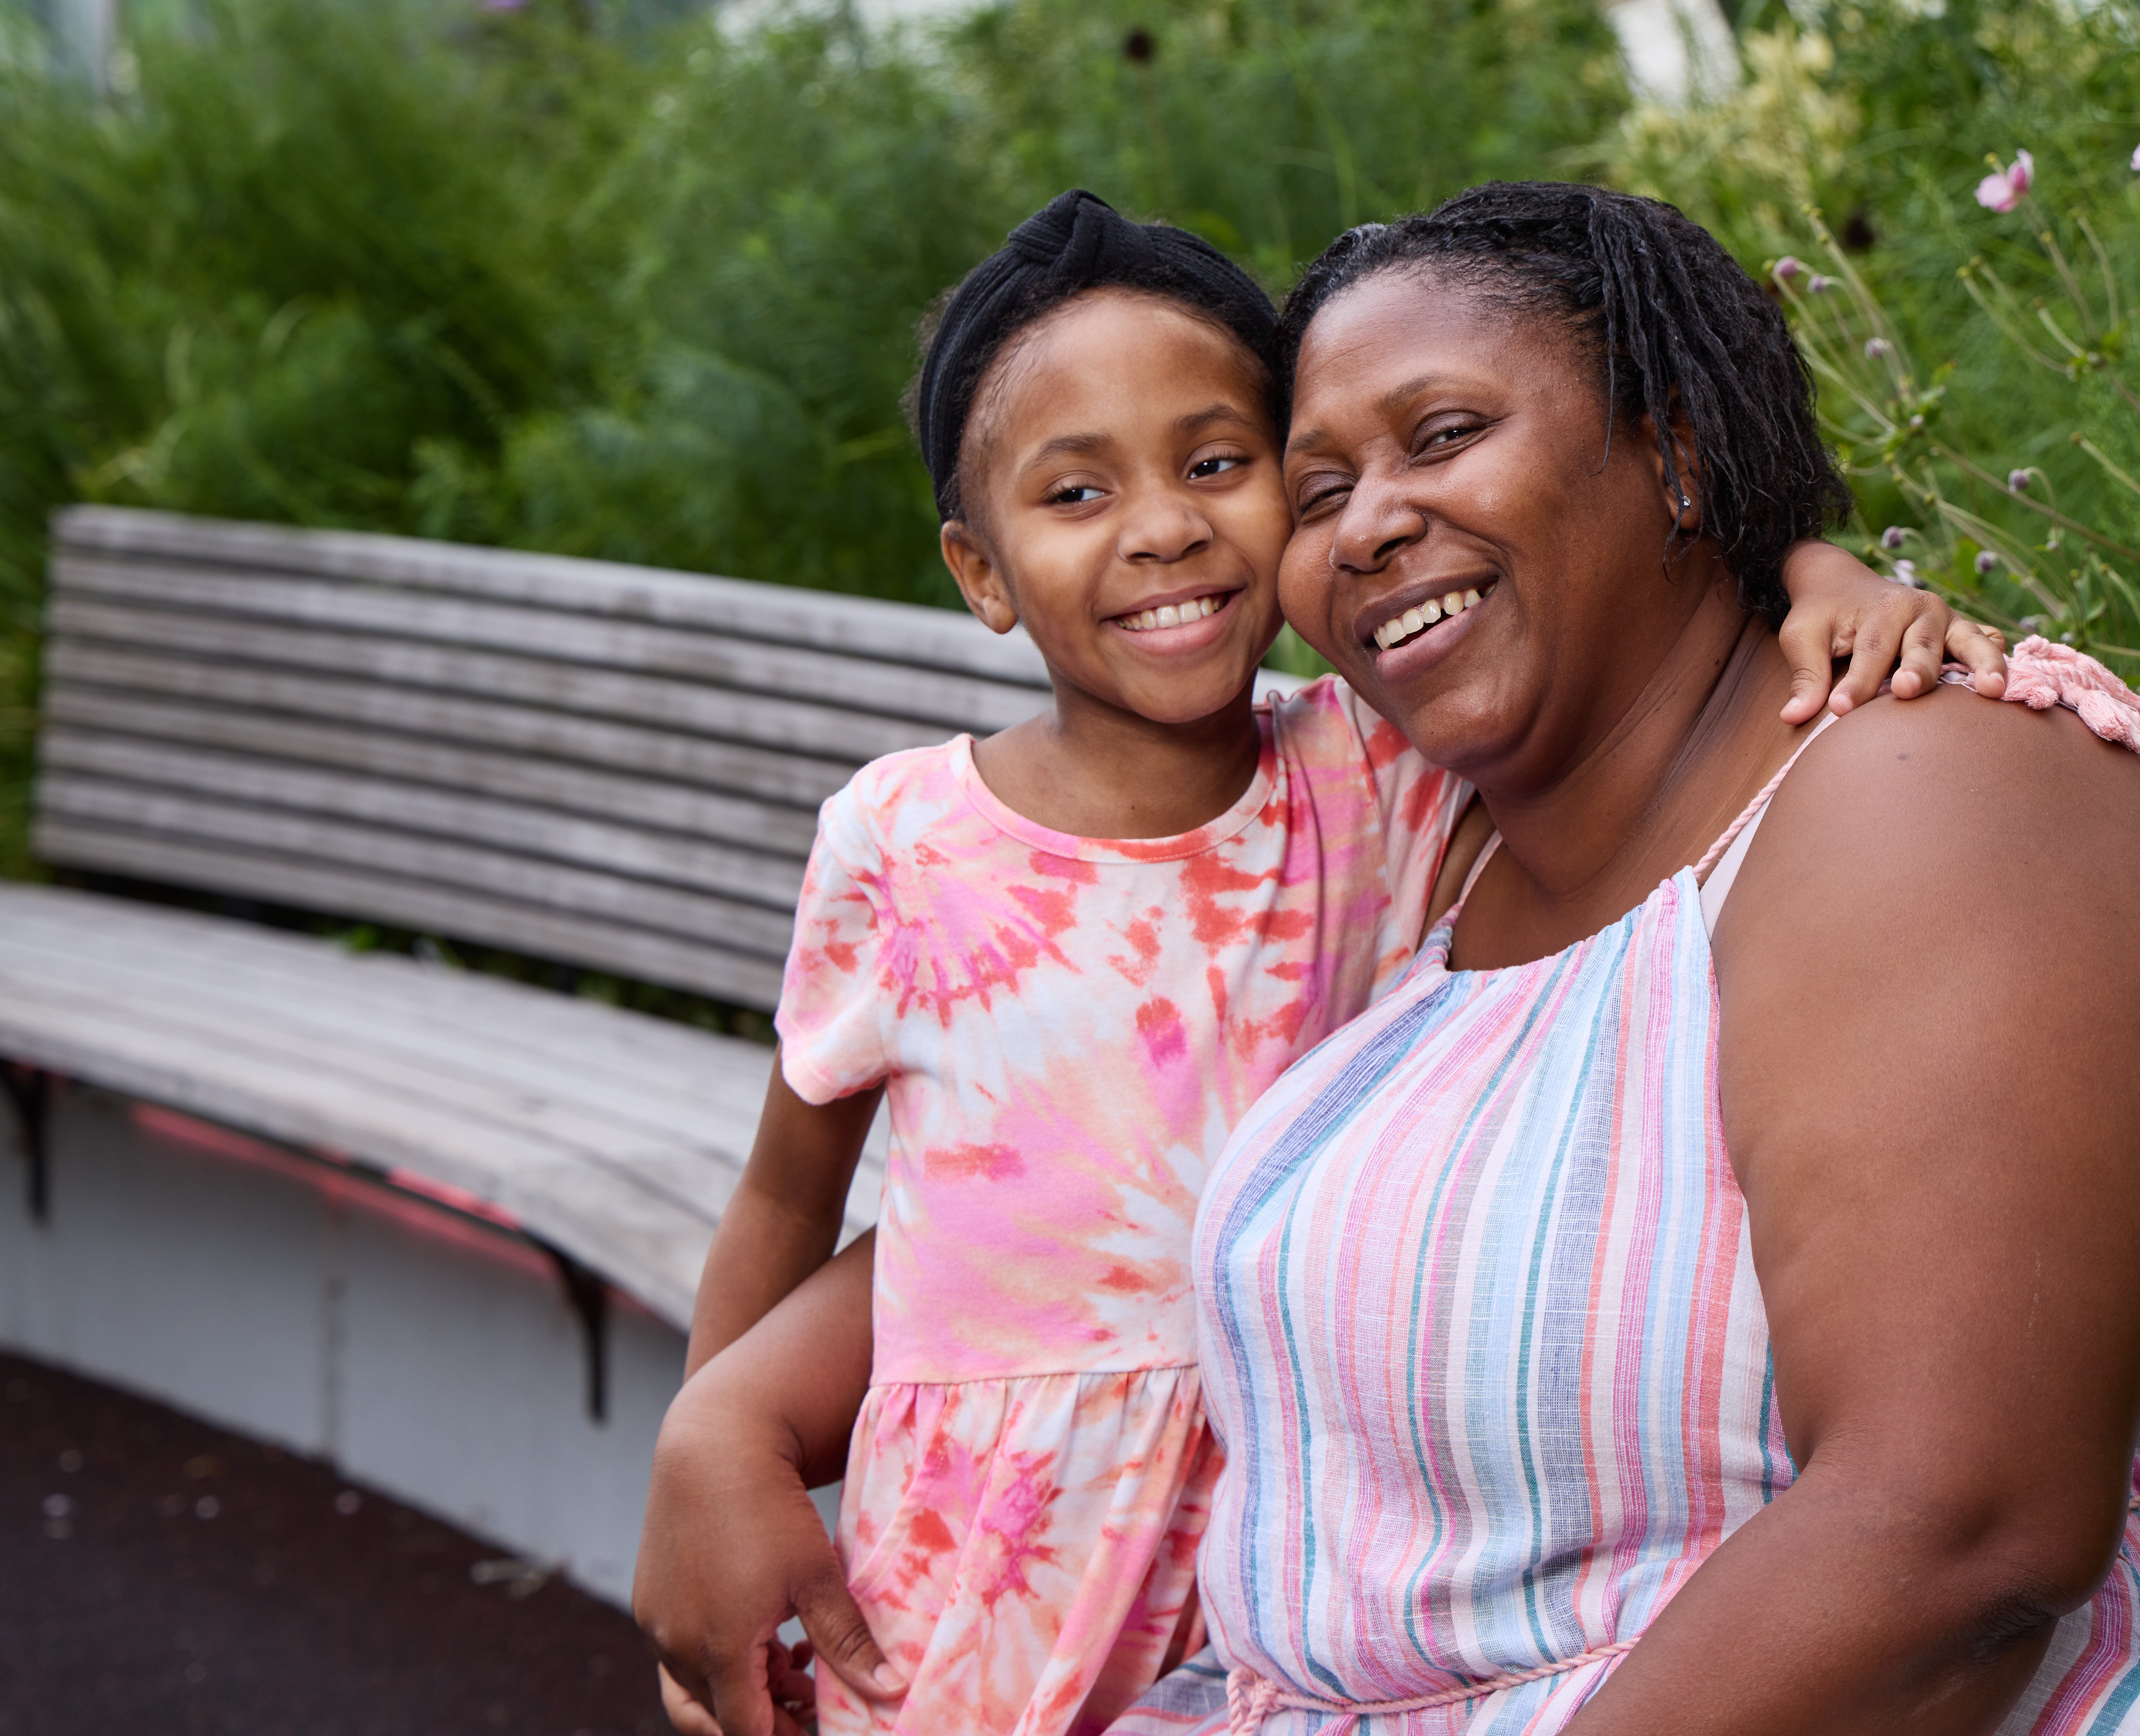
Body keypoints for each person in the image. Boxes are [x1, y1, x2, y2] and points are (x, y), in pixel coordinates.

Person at [1112, 181, 2140, 1736]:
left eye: (1442, 436)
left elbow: (1957, 1540)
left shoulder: (1932, 797)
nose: (1368, 520)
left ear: (1679, 450)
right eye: (1315, 491)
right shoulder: (1436, 845)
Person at [633, 189, 2008, 1736]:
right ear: (981, 571)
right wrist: (710, 1447)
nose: (1162, 526)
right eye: (1075, 494)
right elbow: (787, 1188)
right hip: (968, 1579)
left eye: (1218, 466)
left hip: (1286, 1550)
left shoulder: (1372, 765)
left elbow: (1629, 640)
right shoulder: (906, 841)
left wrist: (1815, 576)